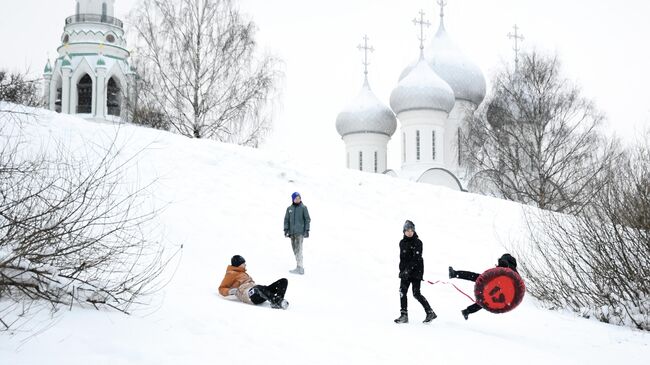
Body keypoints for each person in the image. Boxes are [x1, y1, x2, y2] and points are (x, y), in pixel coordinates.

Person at [448, 253, 518, 320]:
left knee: (474, 277)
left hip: (494, 282)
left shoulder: (506, 261)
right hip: (499, 288)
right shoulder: (515, 272)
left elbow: (503, 267)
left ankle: (455, 274)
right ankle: (467, 311)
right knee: (485, 301)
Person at [394, 220, 437, 324]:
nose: (409, 232)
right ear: (403, 231)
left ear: (414, 231)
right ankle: (404, 315)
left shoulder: (418, 242)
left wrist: (408, 270)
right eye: (407, 230)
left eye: (411, 230)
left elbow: (417, 258)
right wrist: (402, 271)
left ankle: (430, 312)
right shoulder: (402, 242)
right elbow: (402, 259)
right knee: (402, 292)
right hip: (405, 272)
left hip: (416, 272)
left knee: (416, 293)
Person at [218, 255, 289, 309]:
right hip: (247, 295)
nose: (245, 265)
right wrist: (230, 291)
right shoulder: (231, 274)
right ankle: (276, 301)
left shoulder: (243, 273)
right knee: (257, 288)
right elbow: (221, 288)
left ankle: (278, 301)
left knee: (283, 281)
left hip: (258, 292)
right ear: (238, 265)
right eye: (243, 263)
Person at [284, 192, 311, 275]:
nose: (298, 199)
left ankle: (300, 267)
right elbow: (286, 220)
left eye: (299, 198)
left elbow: (307, 219)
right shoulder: (289, 209)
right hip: (292, 233)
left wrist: (306, 230)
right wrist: (286, 230)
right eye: (296, 198)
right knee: (295, 249)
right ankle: (298, 266)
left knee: (299, 250)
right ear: (293, 199)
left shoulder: (303, 208)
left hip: (300, 233)